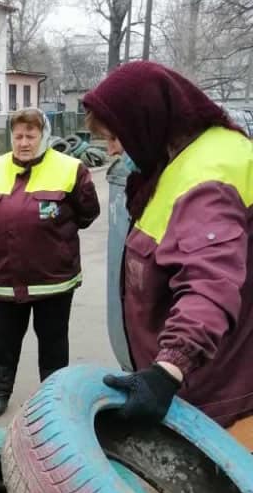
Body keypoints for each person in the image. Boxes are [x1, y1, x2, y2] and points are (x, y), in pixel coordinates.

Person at [82, 62, 253, 440]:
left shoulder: (209, 179)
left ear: (147, 121)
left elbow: (209, 285)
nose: (111, 151)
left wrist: (167, 370)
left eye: (115, 138)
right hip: (197, 390)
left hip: (219, 405)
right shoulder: (177, 161)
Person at [0, 106, 101, 417]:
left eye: (30, 135)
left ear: (43, 136)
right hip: (7, 277)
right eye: (18, 136)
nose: (24, 142)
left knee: (53, 340)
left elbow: (88, 213)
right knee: (4, 339)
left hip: (54, 279)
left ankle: (53, 398)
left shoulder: (71, 170)